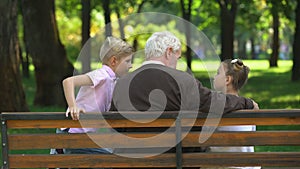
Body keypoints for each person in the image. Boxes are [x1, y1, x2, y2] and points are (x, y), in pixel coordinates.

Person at [109, 31, 258, 162]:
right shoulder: (181, 80)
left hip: (129, 160)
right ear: (169, 52)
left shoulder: (122, 83)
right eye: (177, 57)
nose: (177, 63)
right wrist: (247, 102)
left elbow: (114, 125)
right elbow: (213, 102)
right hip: (174, 161)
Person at [52, 36, 134, 161]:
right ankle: (60, 153)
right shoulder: (101, 75)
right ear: (114, 61)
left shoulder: (113, 81)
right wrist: (73, 106)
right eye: (127, 61)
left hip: (82, 136)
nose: (131, 65)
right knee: (112, 160)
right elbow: (68, 81)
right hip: (73, 134)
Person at [204, 58, 261, 169]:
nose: (214, 77)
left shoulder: (215, 109)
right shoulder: (249, 108)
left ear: (227, 80)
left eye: (218, 73)